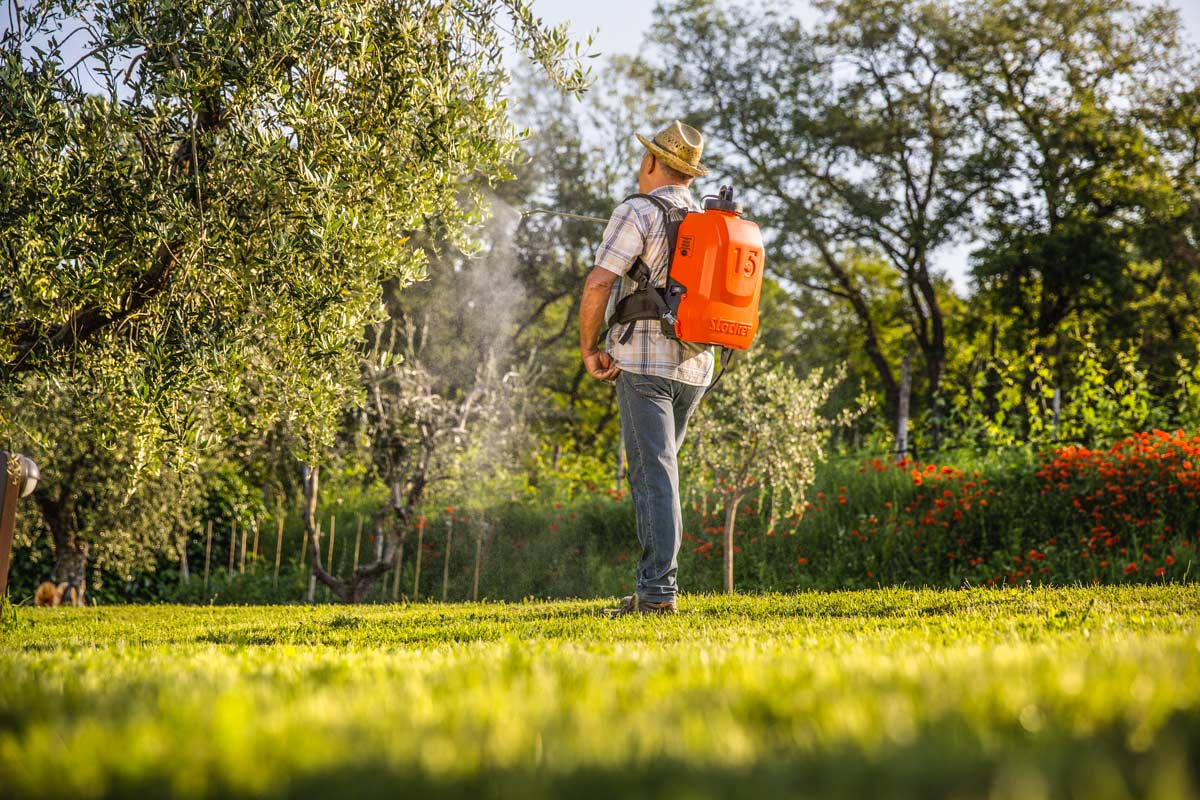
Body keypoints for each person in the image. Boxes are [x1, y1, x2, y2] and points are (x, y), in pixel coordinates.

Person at [578, 120, 713, 616]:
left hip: (644, 364)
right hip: (696, 367)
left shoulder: (636, 210)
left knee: (653, 478)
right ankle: (652, 587)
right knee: (663, 476)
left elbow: (598, 284)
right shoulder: (711, 220)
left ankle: (656, 594)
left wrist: (589, 348)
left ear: (654, 162)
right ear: (691, 176)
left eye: (644, 158)